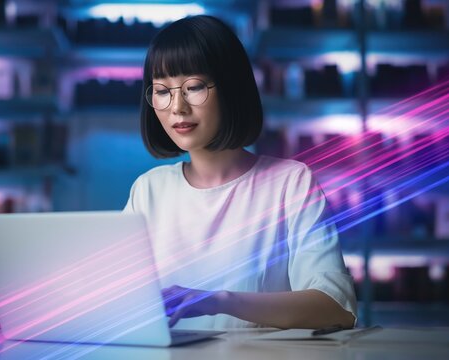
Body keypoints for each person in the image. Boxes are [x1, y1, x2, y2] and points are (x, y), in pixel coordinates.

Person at [123, 15, 356, 330]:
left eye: (193, 87)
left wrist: (218, 301)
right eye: (163, 91)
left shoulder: (289, 183)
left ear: (231, 89)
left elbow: (335, 308)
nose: (177, 107)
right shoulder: (148, 190)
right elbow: (118, 301)